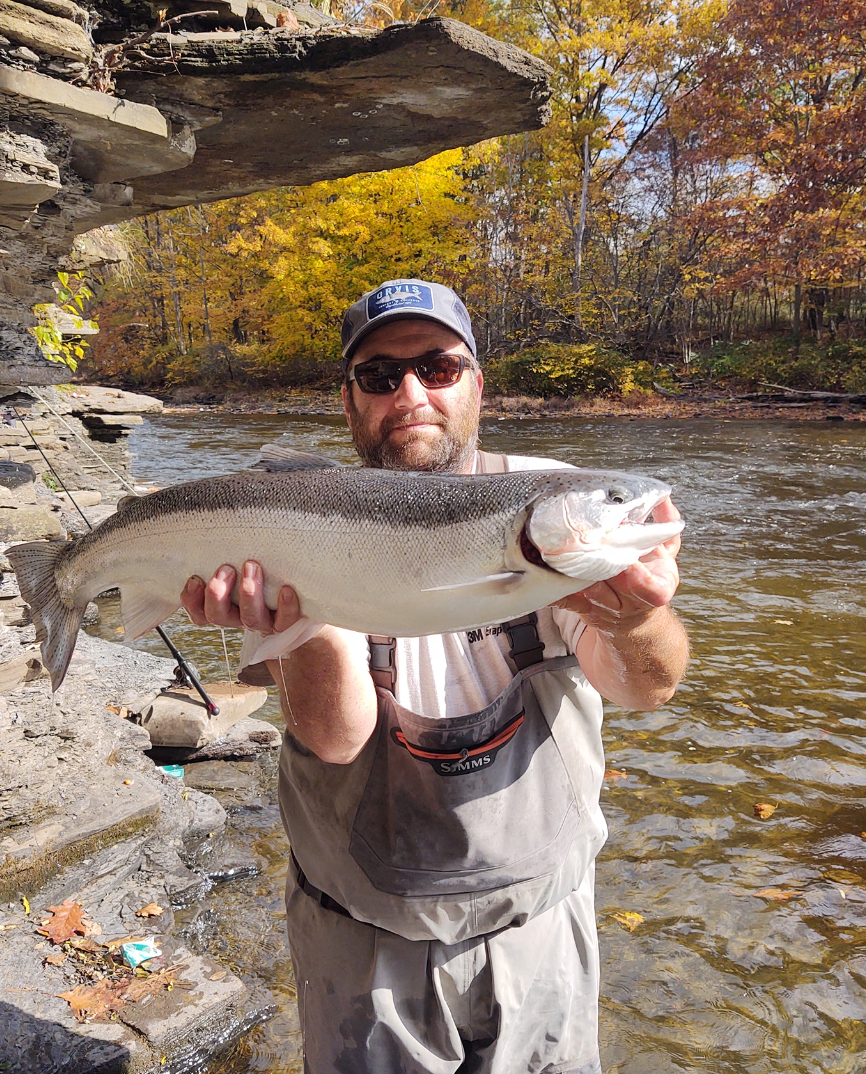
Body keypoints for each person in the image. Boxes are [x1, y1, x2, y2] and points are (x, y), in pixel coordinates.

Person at [181, 279, 688, 1074]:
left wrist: (635, 619)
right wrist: (302, 630)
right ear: (349, 403)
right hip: (361, 941)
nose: (411, 394)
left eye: (439, 368)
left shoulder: (554, 501)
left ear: (476, 385)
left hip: (541, 928)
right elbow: (336, 738)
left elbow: (647, 687)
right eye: (381, 377)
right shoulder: (286, 517)